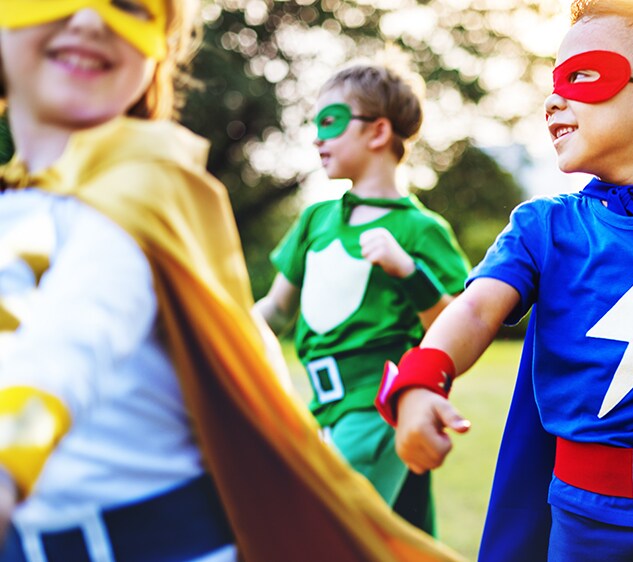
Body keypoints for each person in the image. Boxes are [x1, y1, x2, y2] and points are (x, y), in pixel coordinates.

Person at [0, 3, 467, 561]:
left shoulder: (144, 191)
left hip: (368, 408)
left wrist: (411, 294)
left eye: (129, 7)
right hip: (322, 405)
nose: (90, 20)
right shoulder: (317, 220)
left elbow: (64, 351)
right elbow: (261, 316)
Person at [376, 0, 633, 560]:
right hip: (583, 523)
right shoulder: (543, 226)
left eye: (582, 76)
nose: (554, 98)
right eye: (553, 81)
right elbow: (476, 309)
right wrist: (422, 378)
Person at [256, 61, 469, 534]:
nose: (316, 137)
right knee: (403, 539)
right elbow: (274, 310)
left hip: (379, 409)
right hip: (321, 409)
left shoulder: (420, 229)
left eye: (329, 121)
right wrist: (213, 332)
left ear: (377, 132)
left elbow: (461, 325)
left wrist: (410, 273)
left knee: (320, 531)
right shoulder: (315, 220)